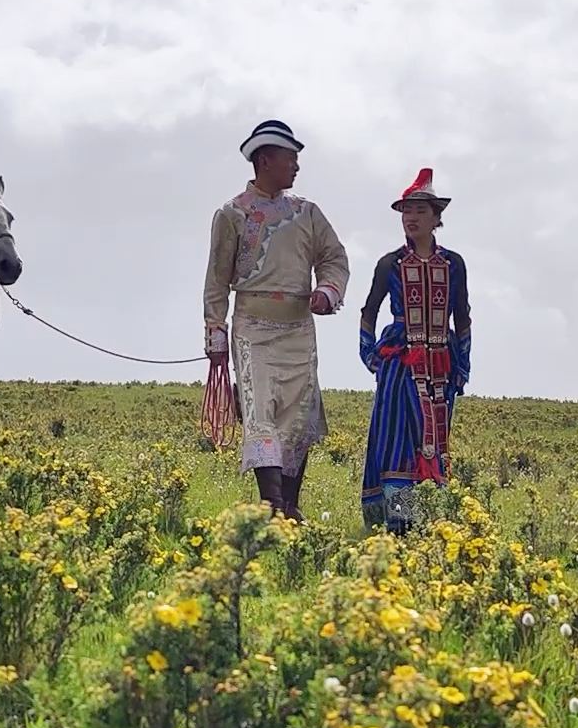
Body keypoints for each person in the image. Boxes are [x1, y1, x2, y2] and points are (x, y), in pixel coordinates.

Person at [202, 120, 350, 521]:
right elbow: (217, 277)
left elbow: (334, 258)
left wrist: (328, 291)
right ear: (265, 161)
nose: (297, 167)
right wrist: (215, 330)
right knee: (259, 411)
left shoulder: (308, 213)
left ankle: (291, 504)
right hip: (252, 327)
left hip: (299, 328)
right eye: (291, 158)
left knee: (298, 415)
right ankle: (272, 507)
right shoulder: (231, 214)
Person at [358, 168, 471, 534]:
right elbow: (369, 310)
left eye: (420, 211)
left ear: (436, 218)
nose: (411, 218)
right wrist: (370, 355)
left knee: (433, 441)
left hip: (441, 365)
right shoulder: (390, 264)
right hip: (399, 365)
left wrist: (463, 364)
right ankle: (399, 522)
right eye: (406, 211)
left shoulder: (453, 265)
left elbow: (462, 315)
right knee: (395, 444)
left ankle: (428, 521)